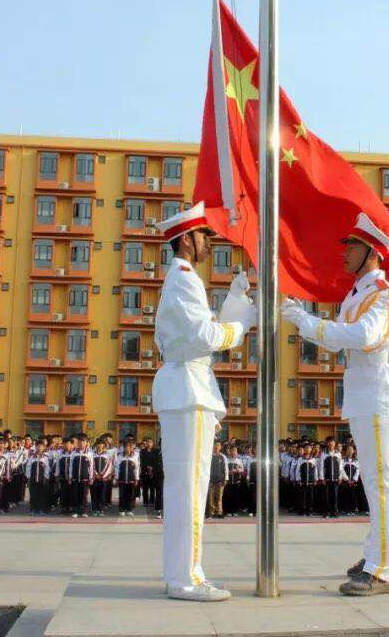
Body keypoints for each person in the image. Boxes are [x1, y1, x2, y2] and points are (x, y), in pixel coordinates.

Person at [281, 212, 389, 597]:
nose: (345, 253)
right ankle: (374, 554)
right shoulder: (356, 294)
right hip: (362, 392)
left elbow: (362, 337)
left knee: (383, 482)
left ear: (371, 251)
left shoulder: (382, 294)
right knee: (373, 481)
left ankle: (383, 567)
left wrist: (304, 320)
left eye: (352, 246)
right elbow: (337, 340)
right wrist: (302, 319)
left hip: (378, 391)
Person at [153, 202, 255, 602]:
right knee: (191, 490)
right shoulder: (183, 278)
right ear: (185, 240)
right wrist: (244, 323)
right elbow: (209, 338)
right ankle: (187, 579)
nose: (209, 243)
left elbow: (206, 330)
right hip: (189, 386)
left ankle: (180, 574)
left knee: (184, 489)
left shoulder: (182, 279)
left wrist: (235, 300)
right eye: (203, 236)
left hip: (188, 384)